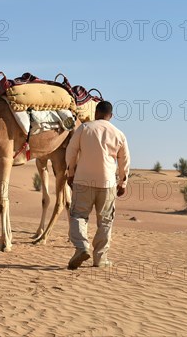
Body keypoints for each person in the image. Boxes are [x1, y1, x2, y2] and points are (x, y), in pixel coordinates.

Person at [65, 101, 130, 270]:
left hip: (83, 181)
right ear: (111, 115)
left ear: (96, 113)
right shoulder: (119, 134)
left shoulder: (84, 128)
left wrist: (70, 174)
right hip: (107, 183)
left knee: (78, 216)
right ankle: (100, 258)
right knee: (106, 221)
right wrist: (123, 182)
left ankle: (81, 247)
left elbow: (71, 152)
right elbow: (124, 160)